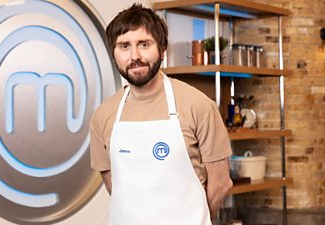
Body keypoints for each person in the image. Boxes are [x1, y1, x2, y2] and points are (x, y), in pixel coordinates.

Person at [90, 3, 233, 225]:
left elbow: (221, 183)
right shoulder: (104, 115)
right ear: (114, 53)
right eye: (124, 46)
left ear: (162, 50)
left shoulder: (198, 106)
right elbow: (112, 184)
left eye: (144, 44)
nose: (134, 56)